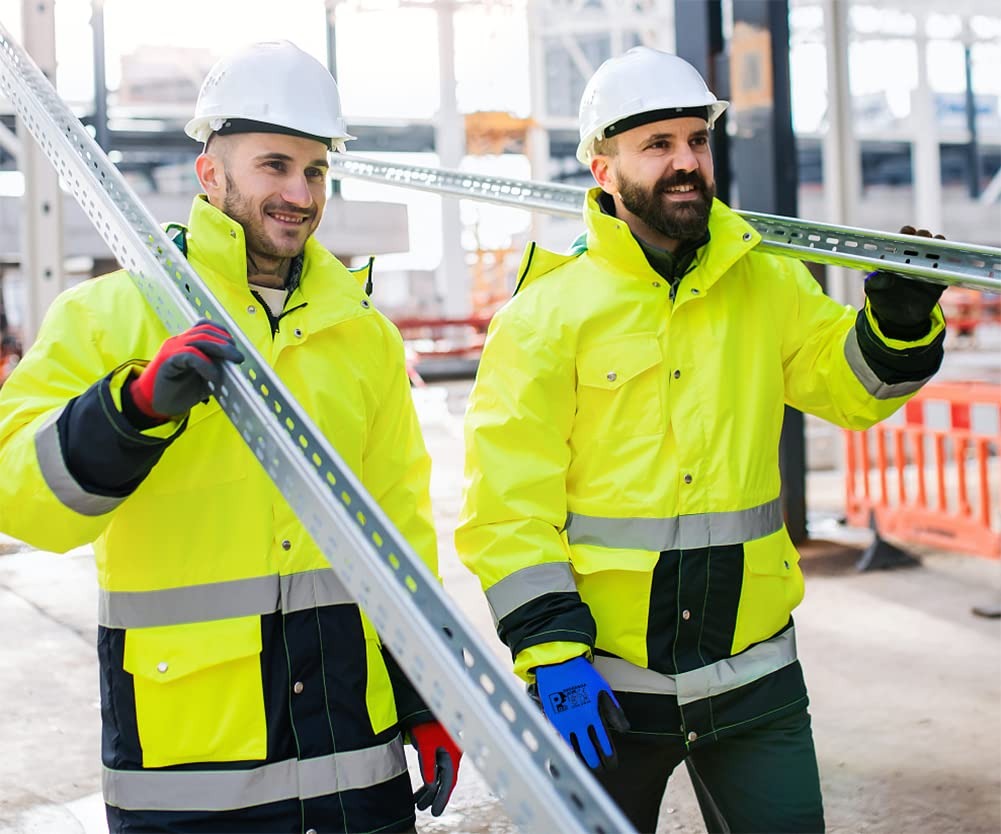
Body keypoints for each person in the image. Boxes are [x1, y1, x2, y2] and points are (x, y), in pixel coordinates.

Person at [456, 46, 946, 834]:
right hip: (605, 688)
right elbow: (507, 507)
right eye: (657, 145)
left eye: (696, 141)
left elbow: (851, 390)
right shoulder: (544, 317)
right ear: (602, 169)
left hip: (754, 676)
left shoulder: (766, 281)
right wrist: (550, 652)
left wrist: (896, 325)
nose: (685, 163)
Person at [0, 40, 460, 833]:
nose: (299, 193)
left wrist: (427, 692)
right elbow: (20, 497)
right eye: (273, 166)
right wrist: (131, 410)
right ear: (210, 175)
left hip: (353, 758)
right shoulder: (108, 316)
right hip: (193, 771)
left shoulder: (364, 336)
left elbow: (400, 535)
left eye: (315, 170)